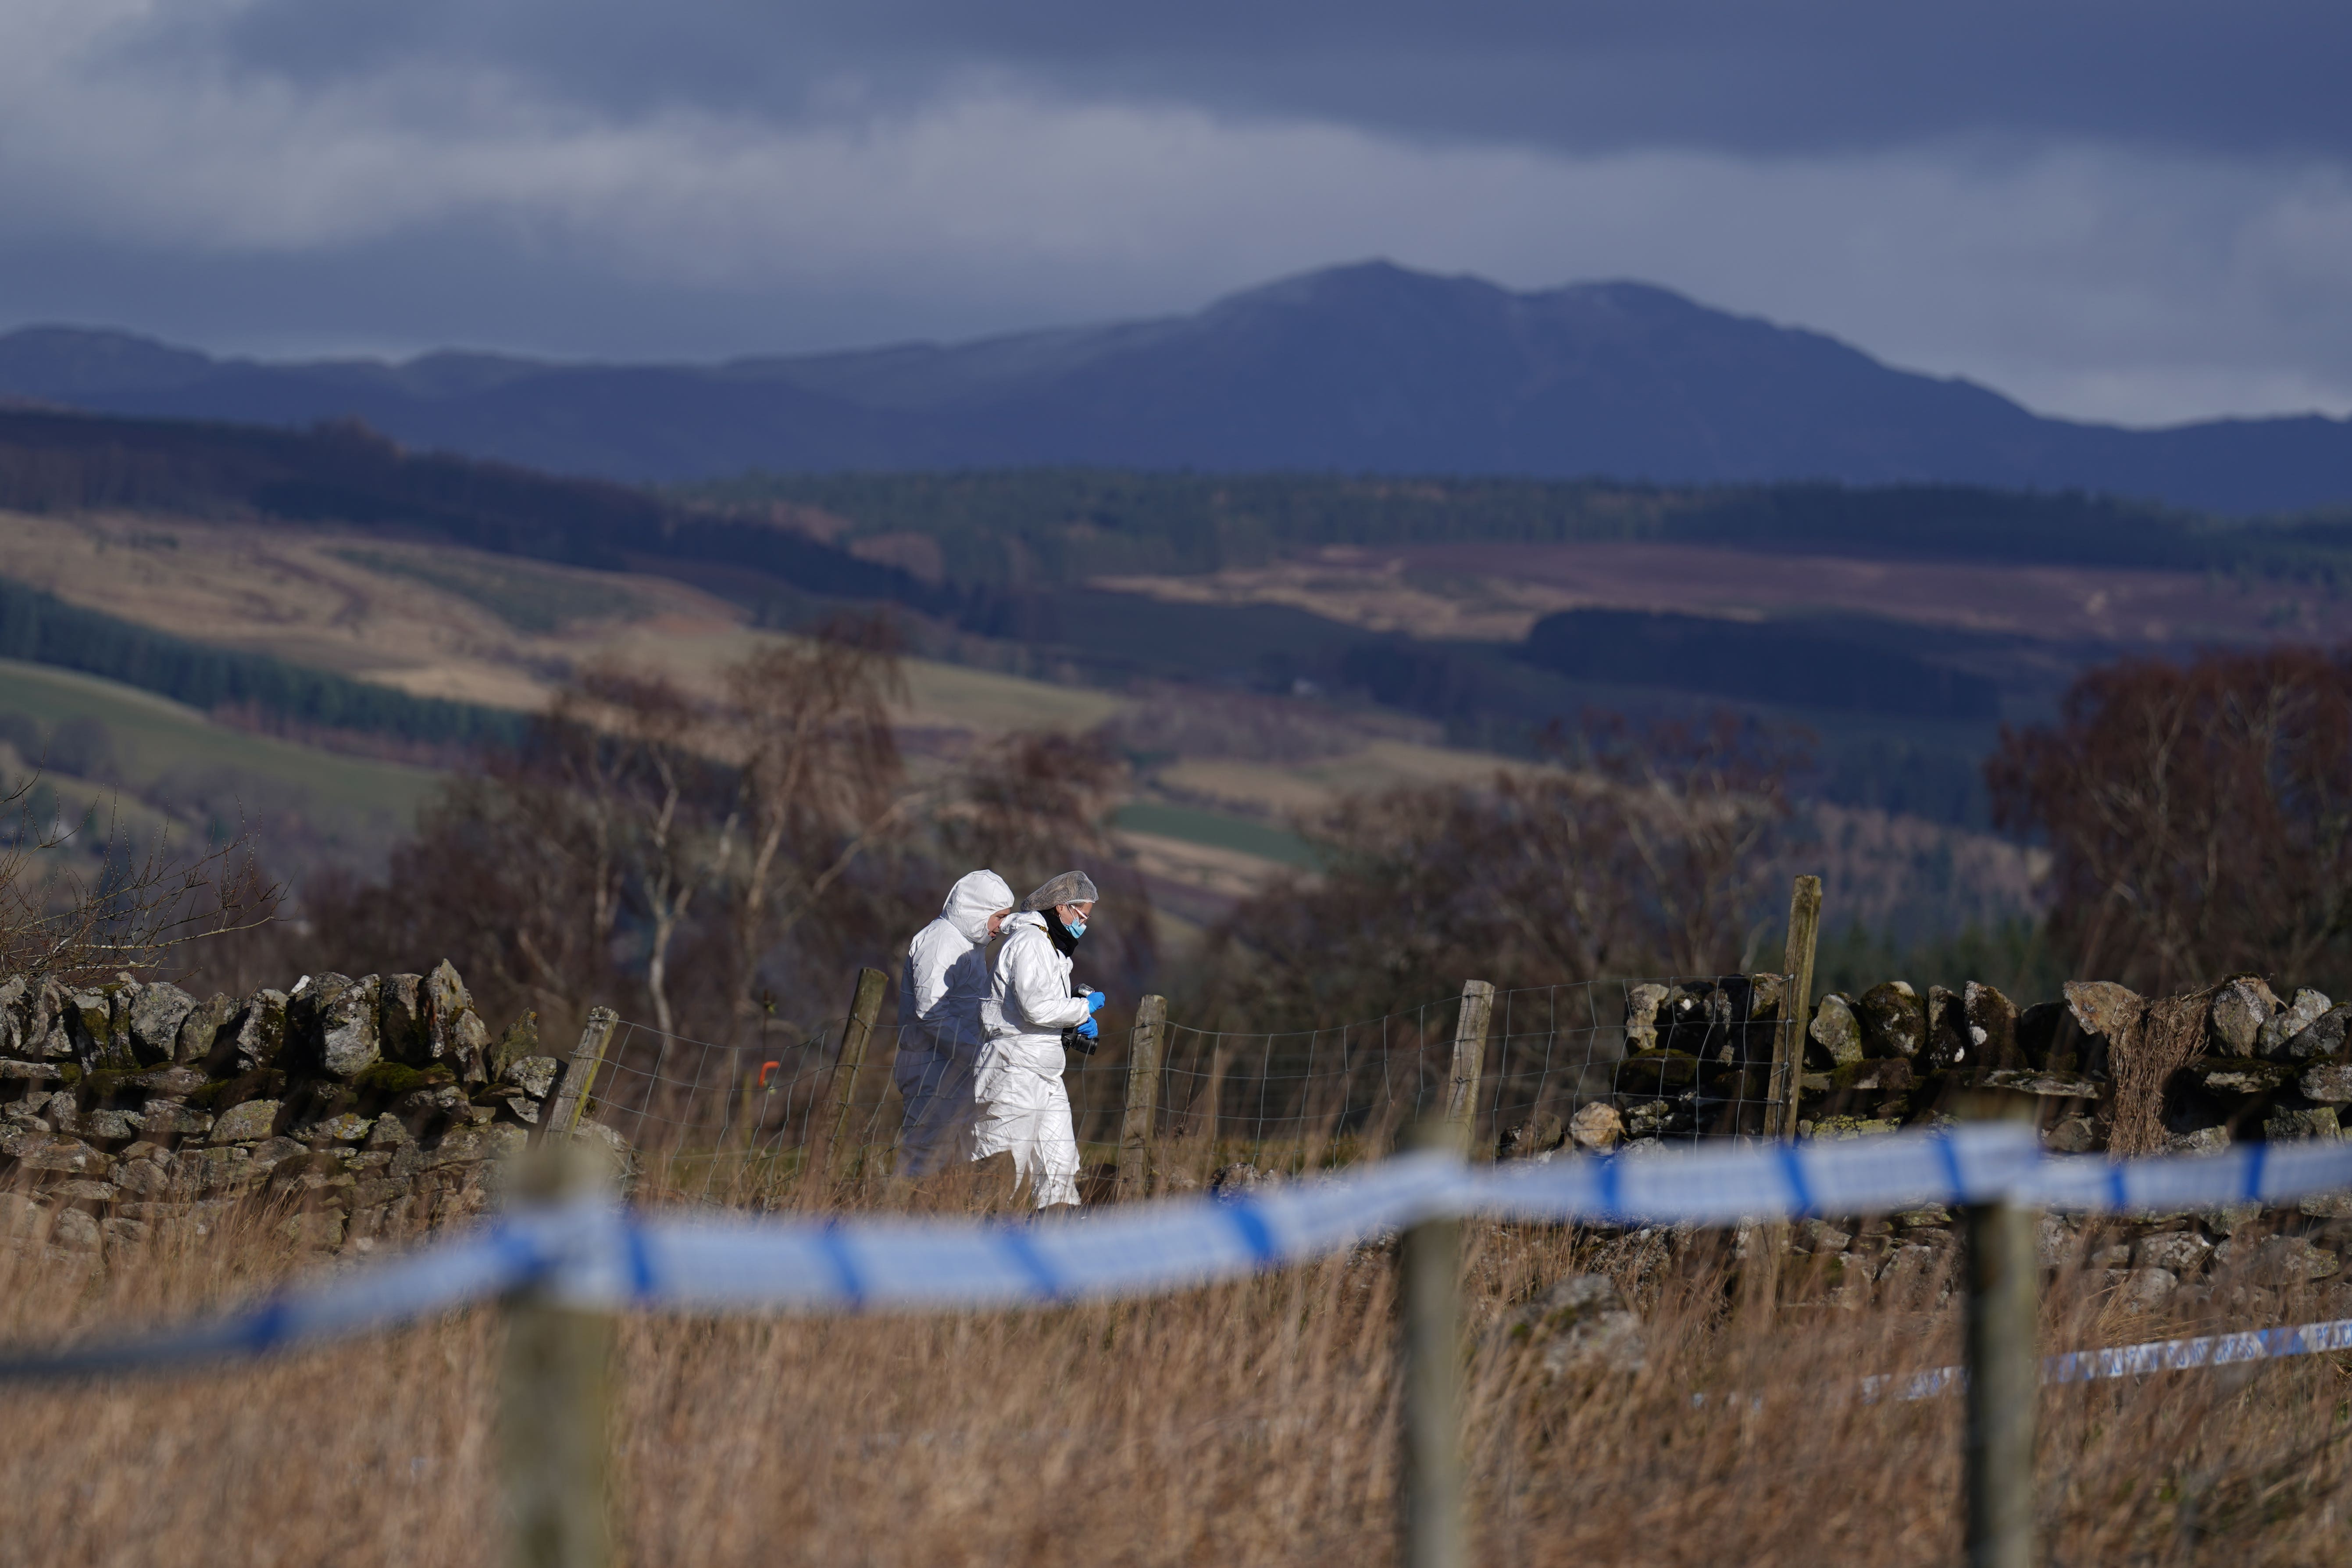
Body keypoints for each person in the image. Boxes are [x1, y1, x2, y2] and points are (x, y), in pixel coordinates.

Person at [974, 870, 1104, 1208]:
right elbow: (1034, 1007)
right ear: (1062, 907)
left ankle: (1055, 1238)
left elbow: (1039, 1010)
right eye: (1082, 915)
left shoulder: (1052, 949)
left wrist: (1073, 1022)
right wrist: (1081, 1009)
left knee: (1059, 1165)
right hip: (1013, 1070)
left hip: (1044, 1072)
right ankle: (976, 1243)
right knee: (1003, 1165)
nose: (1083, 924)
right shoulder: (1030, 942)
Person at [894, 869, 1014, 1176]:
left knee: (956, 1162)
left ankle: (940, 1219)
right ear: (977, 910)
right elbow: (930, 1013)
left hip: (955, 1068)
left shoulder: (969, 944)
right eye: (998, 917)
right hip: (931, 1069)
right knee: (923, 1159)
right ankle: (897, 1218)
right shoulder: (940, 941)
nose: (1001, 926)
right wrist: (978, 1054)